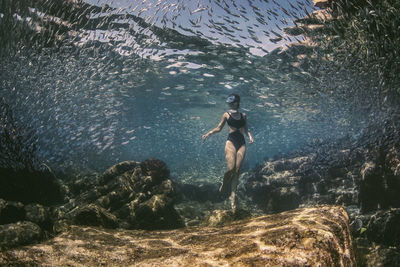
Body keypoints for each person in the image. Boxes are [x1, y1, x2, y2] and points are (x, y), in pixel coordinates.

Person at [202, 93, 254, 211]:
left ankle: (233, 197)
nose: (231, 104)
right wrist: (208, 133)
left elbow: (246, 129)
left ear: (237, 102)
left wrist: (250, 136)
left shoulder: (243, 115)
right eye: (230, 102)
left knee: (237, 171)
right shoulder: (226, 114)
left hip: (241, 143)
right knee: (230, 169)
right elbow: (219, 128)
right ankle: (224, 185)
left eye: (233, 102)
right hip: (230, 142)